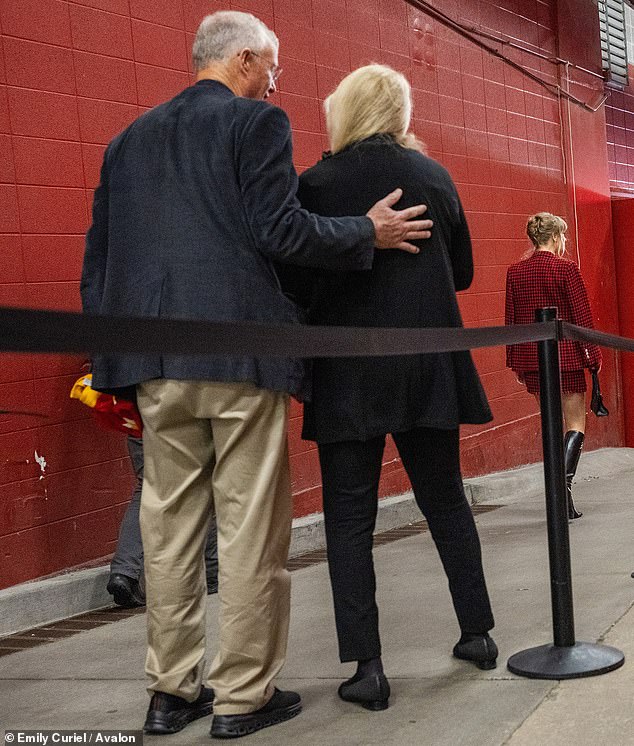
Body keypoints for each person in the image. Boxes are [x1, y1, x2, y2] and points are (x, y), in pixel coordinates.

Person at [80, 11, 433, 740]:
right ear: (244, 59)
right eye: (272, 67)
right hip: (239, 356)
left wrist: (113, 361)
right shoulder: (254, 126)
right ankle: (242, 697)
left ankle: (170, 692)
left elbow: (100, 260)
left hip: (152, 360)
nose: (276, 84)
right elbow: (282, 232)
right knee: (248, 530)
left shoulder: (126, 141)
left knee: (170, 531)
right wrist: (368, 230)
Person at [281, 64, 497, 712]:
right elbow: (461, 273)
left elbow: (300, 283)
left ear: (342, 112)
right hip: (427, 364)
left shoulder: (316, 182)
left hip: (348, 371)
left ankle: (368, 669)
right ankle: (478, 634)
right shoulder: (434, 178)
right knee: (446, 502)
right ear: (400, 114)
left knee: (349, 520)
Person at [505, 212, 602, 520]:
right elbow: (581, 316)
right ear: (556, 237)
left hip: (532, 359)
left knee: (550, 425)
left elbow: (511, 318)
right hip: (567, 358)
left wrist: (515, 361)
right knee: (575, 424)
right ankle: (563, 492)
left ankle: (559, 497)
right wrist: (593, 356)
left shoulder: (515, 271)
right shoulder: (566, 269)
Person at [107, 436, 219, 608]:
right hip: (185, 418)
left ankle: (123, 572)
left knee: (148, 486)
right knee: (201, 481)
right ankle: (212, 573)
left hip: (140, 415)